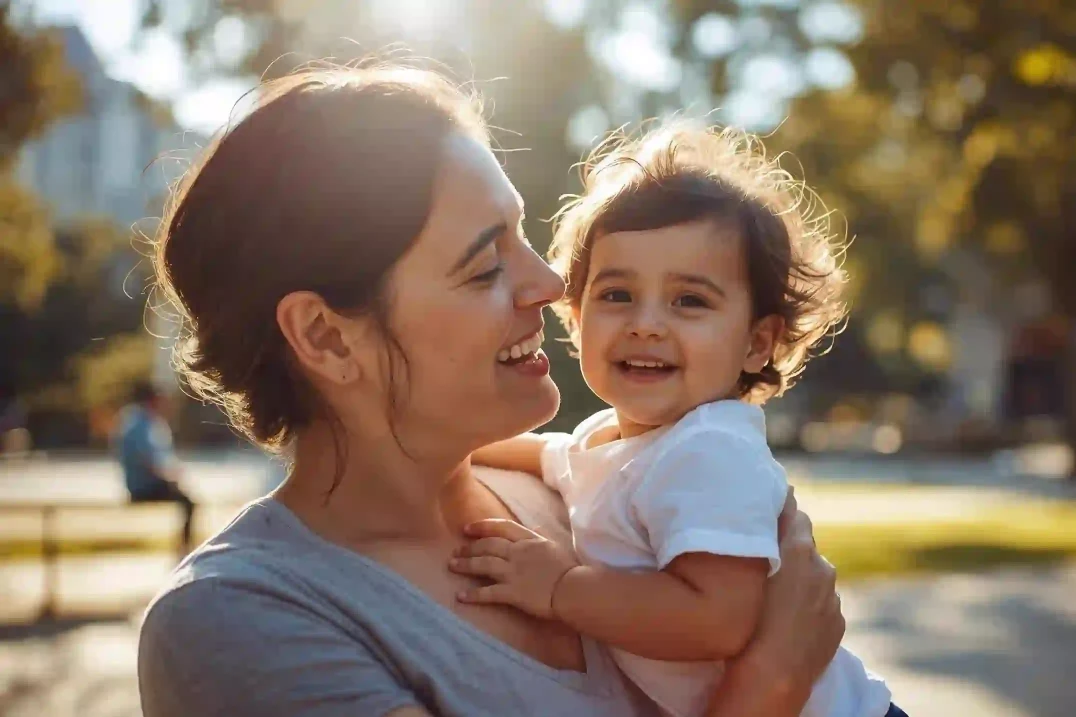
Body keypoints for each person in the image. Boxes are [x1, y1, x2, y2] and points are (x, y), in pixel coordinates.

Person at [136, 63, 848, 717]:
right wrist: (768, 685)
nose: (550, 285)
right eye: (484, 268)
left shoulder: (583, 493)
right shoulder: (240, 619)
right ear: (325, 335)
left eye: (524, 236)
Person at [467, 125, 897, 717]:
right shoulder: (611, 438)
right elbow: (547, 452)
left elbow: (716, 619)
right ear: (575, 317)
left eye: (689, 301)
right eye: (617, 295)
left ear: (755, 343)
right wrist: (459, 448)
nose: (646, 324)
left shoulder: (711, 448)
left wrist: (560, 589)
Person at [115, 382, 194, 555]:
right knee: (189, 502)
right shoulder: (140, 423)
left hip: (141, 483)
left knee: (184, 497)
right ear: (152, 400)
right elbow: (146, 459)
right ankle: (184, 548)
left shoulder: (136, 419)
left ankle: (183, 547)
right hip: (142, 487)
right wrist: (168, 476)